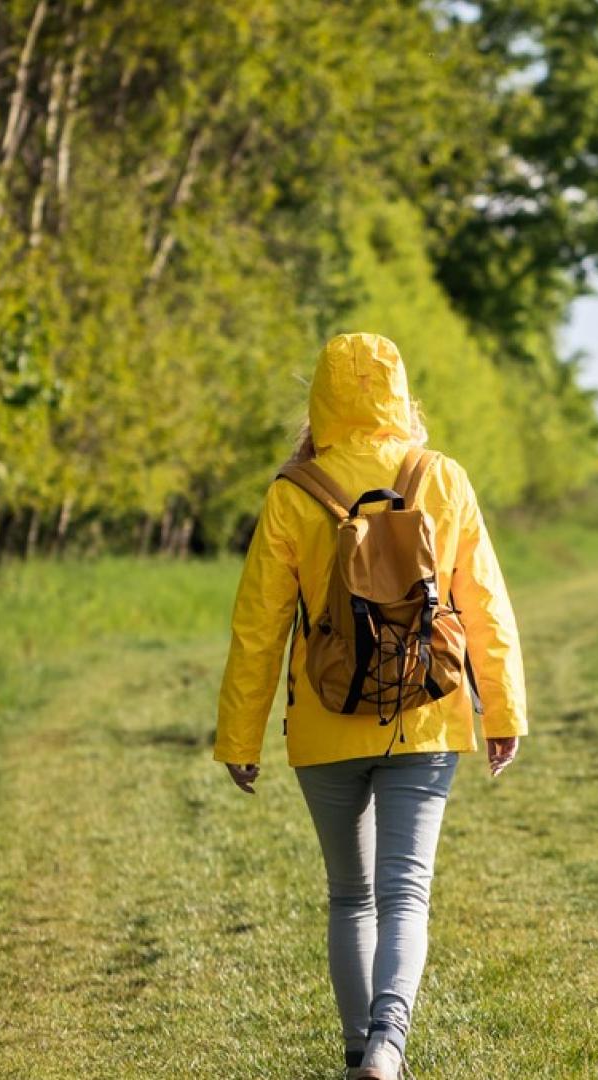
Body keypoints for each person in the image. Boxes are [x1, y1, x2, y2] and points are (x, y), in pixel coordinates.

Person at [213, 331, 528, 1080]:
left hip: (324, 722)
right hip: (427, 713)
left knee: (350, 897)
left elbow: (258, 626)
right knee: (405, 892)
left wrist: (239, 736)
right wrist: (503, 711)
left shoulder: (294, 492)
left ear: (320, 399)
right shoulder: (441, 478)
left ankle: (361, 1051)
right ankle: (390, 1045)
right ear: (400, 395)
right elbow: (483, 604)